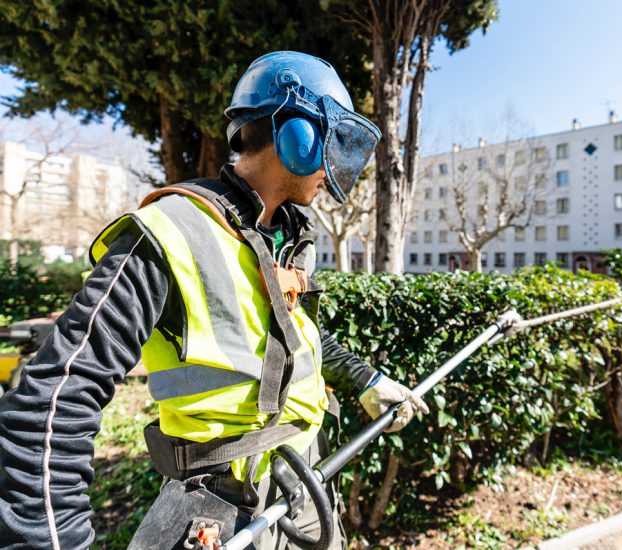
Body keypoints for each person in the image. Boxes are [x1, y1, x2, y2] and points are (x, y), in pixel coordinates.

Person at [0, 51, 429, 550]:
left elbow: (297, 338)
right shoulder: (170, 233)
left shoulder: (284, 238)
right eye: (335, 141)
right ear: (300, 137)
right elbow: (48, 405)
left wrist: (366, 379)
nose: (336, 169)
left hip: (304, 485)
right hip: (222, 508)